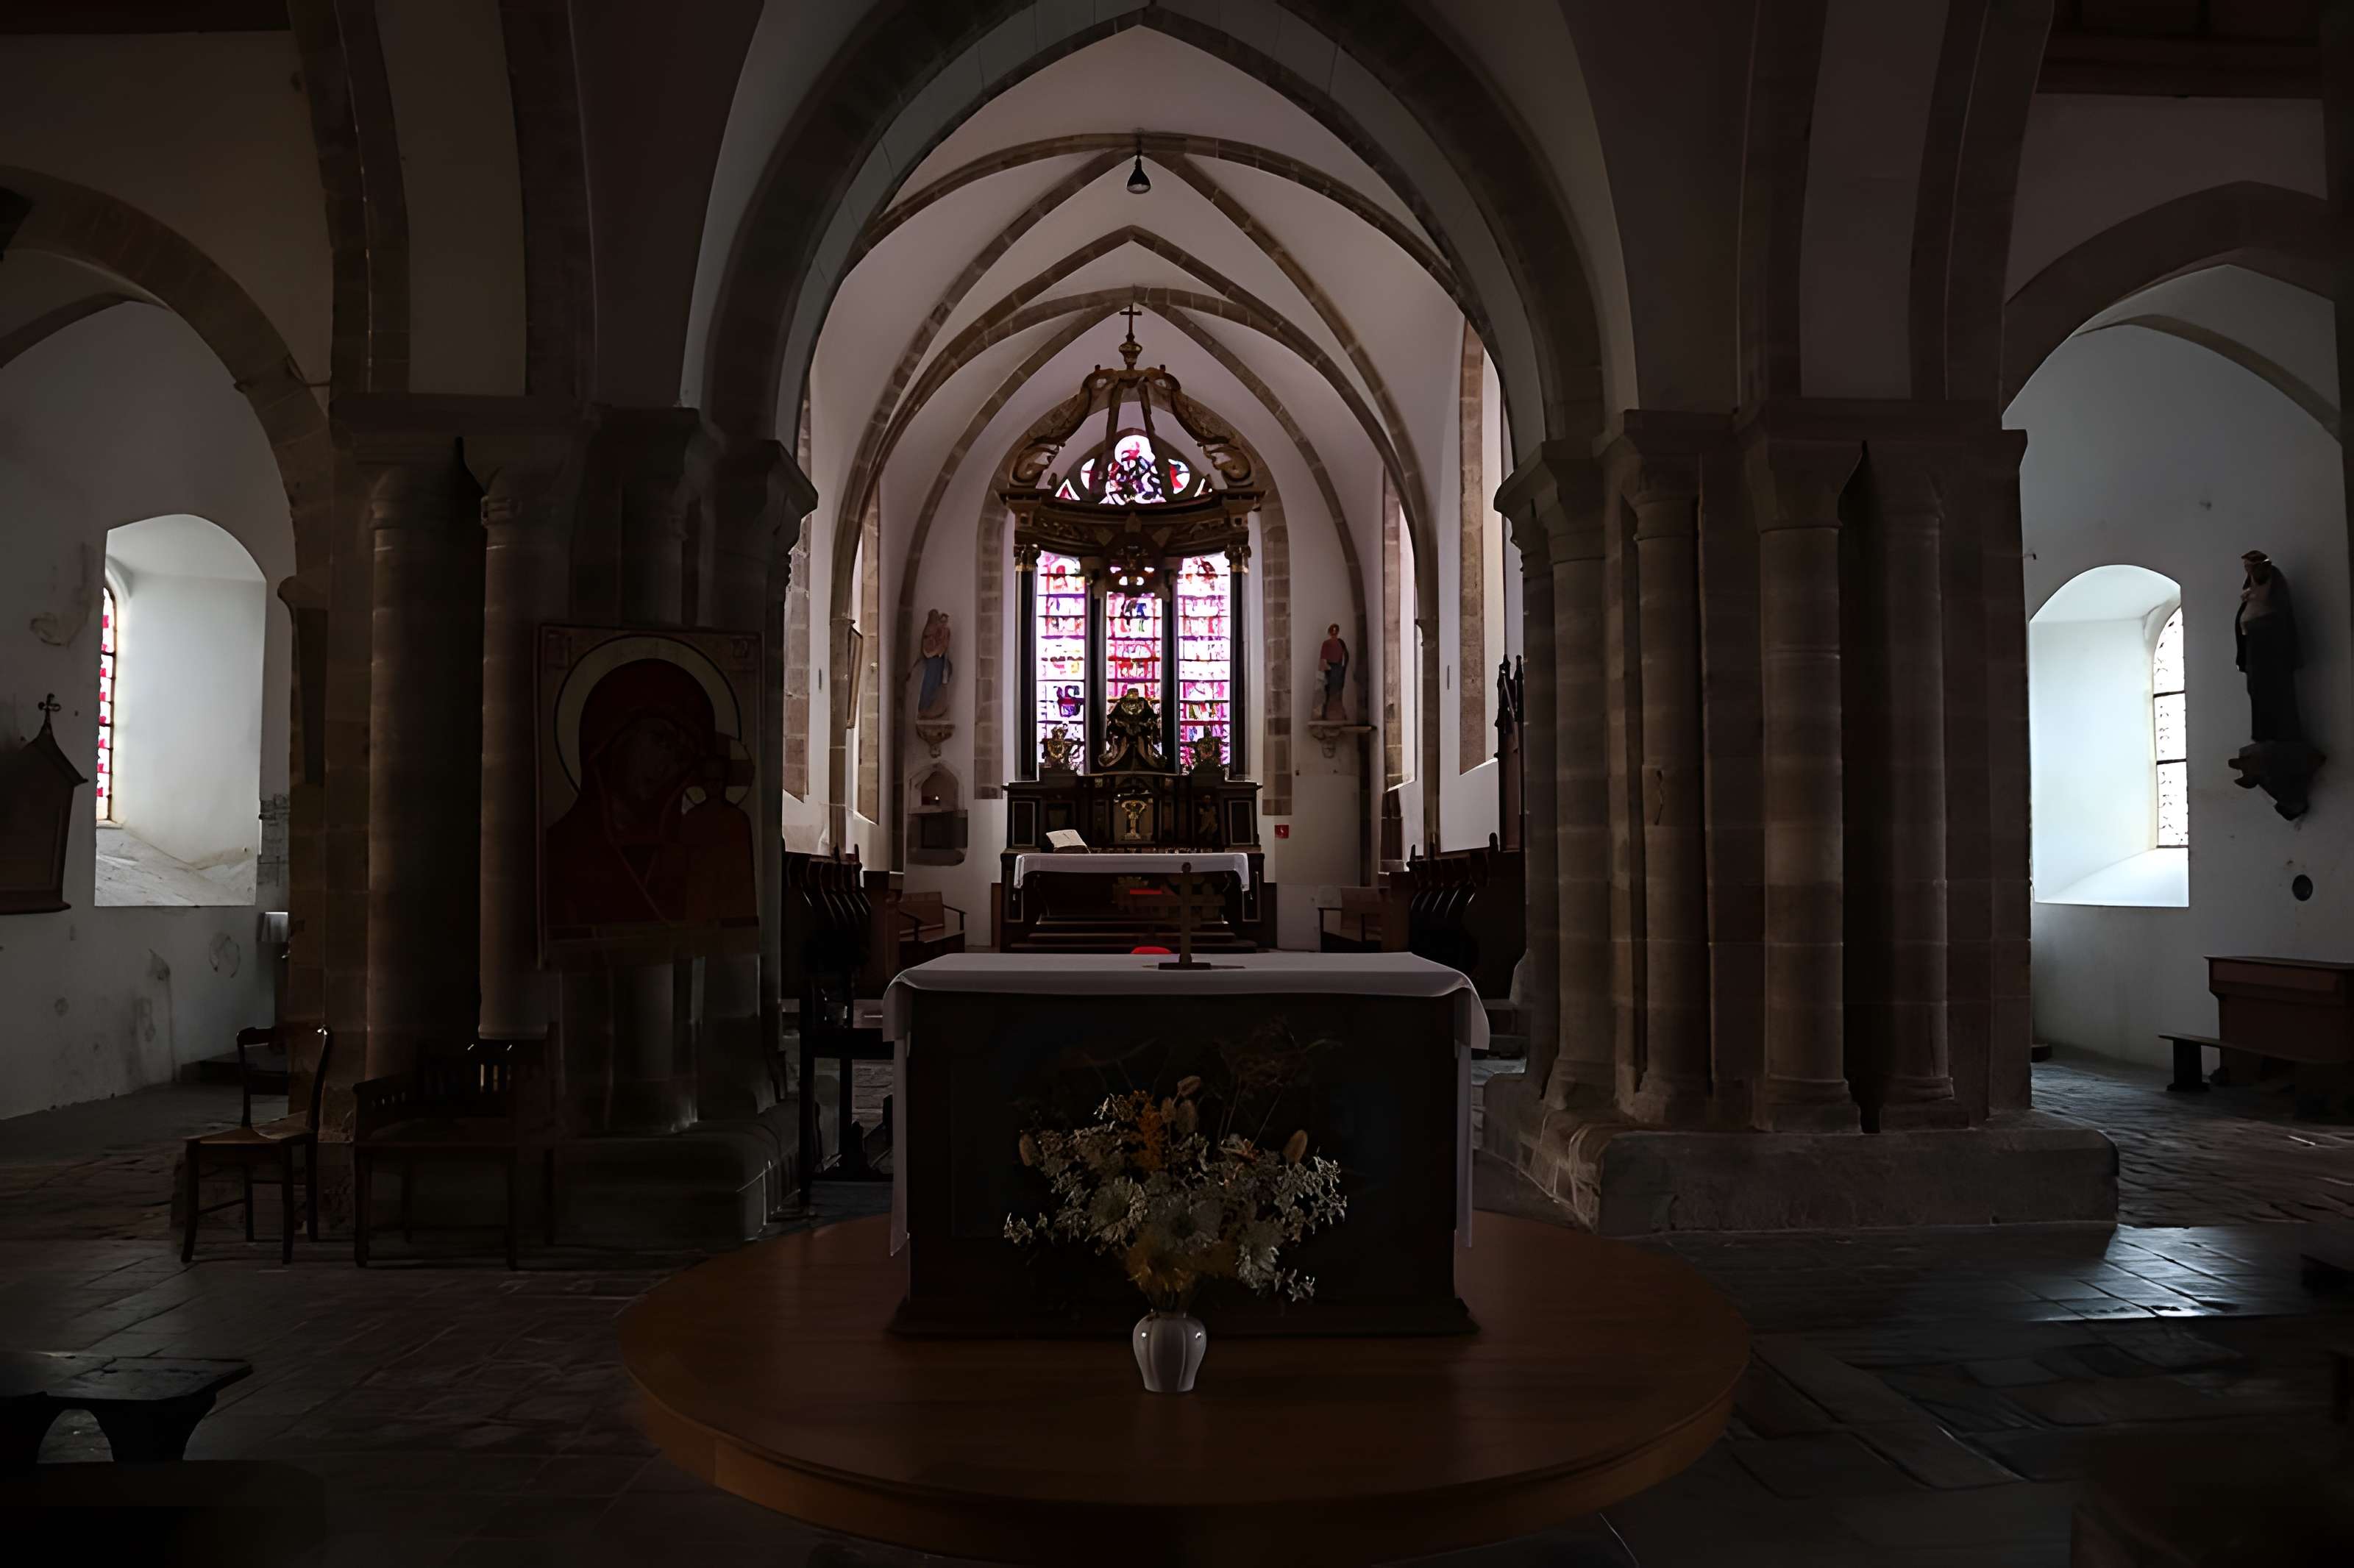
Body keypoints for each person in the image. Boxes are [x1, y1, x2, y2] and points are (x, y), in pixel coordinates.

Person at [544, 657, 755, 933]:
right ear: (614, 735)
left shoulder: (685, 842)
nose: (665, 765)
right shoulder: (563, 848)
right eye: (660, 739)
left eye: (681, 755)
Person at [2236, 550, 2304, 744]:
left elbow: (2278, 612)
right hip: (2253, 644)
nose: (2247, 571)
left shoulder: (2271, 583)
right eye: (2246, 568)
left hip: (2268, 646)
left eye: (2249, 567)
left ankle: (2277, 733)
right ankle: (2263, 733)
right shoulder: (2251, 590)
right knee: (2256, 688)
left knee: (2272, 688)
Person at [912, 609, 953, 720]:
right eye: (941, 620)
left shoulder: (941, 631)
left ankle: (934, 709)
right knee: (929, 685)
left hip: (939, 662)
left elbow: (943, 645)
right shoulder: (929, 631)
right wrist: (935, 651)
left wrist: (943, 638)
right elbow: (927, 649)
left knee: (937, 685)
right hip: (933, 663)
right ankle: (924, 708)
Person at [1318, 624, 1349, 721]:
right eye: (1332, 632)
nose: (1334, 634)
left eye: (1336, 632)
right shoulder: (1326, 643)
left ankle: (1338, 711)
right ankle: (1328, 712)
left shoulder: (1341, 643)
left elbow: (1345, 657)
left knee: (1338, 690)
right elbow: (1323, 660)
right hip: (1330, 670)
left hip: (1339, 669)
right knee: (1330, 690)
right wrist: (1327, 669)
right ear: (1330, 633)